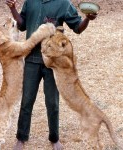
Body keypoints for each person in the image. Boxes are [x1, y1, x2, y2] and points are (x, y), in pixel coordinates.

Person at [6, 0, 97, 149]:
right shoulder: (31, 2)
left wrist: (87, 18)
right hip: (31, 60)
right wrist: (13, 9)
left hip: (53, 62)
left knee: (52, 103)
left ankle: (54, 139)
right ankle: (21, 138)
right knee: (27, 101)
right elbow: (22, 25)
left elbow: (77, 28)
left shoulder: (63, 4)